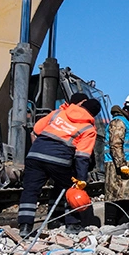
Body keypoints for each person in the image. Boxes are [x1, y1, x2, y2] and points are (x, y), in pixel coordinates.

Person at [17, 96, 101, 233]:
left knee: (30, 190)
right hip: (59, 160)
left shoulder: (58, 113)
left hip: (35, 155)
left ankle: (25, 227)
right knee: (71, 188)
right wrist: (81, 179)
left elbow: (37, 130)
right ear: (94, 114)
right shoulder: (88, 128)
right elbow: (82, 156)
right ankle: (72, 224)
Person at [103, 94, 129, 226]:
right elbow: (116, 144)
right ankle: (112, 227)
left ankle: (128, 228)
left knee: (128, 198)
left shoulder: (127, 123)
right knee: (117, 197)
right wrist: (121, 164)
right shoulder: (119, 122)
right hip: (118, 168)